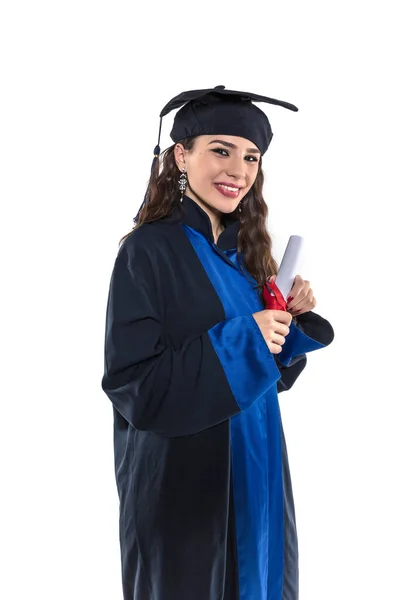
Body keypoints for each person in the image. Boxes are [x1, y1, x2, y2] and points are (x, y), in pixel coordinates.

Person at [101, 85, 334, 600]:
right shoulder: (147, 252)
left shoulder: (246, 257)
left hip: (257, 470)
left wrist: (285, 323)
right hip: (186, 483)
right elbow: (134, 385)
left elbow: (266, 379)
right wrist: (243, 337)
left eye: (251, 157)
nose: (239, 170)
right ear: (182, 155)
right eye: (221, 150)